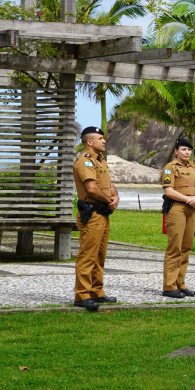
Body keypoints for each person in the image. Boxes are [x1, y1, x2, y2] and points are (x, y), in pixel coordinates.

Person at [72, 126, 119, 311]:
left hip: (103, 214)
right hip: (92, 214)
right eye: (100, 138)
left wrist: (116, 197)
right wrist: (109, 201)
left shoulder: (101, 161)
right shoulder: (86, 161)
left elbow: (108, 184)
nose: (104, 140)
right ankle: (82, 295)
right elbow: (91, 188)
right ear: (89, 142)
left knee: (99, 256)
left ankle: (96, 291)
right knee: (87, 255)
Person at [161, 138, 195, 298]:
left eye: (189, 150)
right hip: (177, 208)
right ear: (176, 151)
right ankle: (169, 286)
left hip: (192, 208)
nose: (187, 152)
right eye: (183, 150)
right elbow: (169, 191)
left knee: (186, 247)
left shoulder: (194, 167)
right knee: (175, 247)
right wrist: (188, 199)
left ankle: (180, 284)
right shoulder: (170, 168)